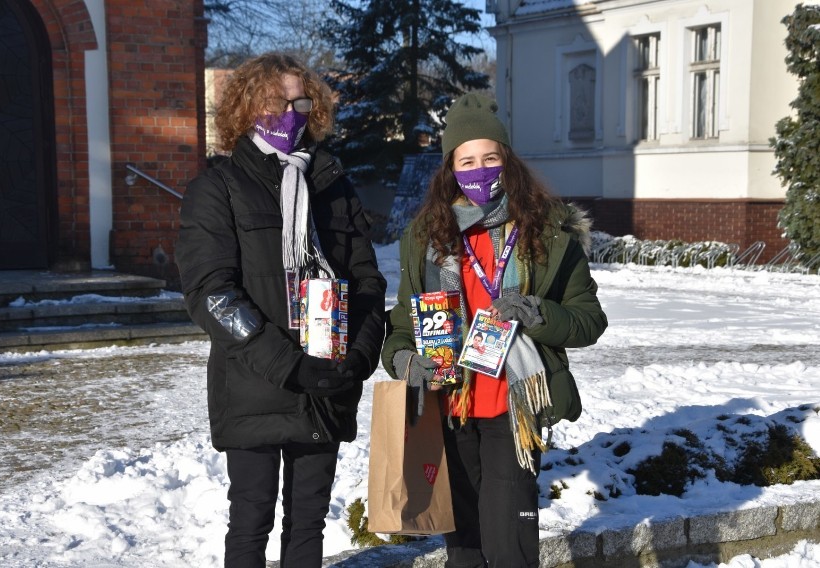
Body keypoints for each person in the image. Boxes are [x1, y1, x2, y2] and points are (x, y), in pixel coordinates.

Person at [176, 53, 386, 568]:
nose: (291, 112)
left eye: (300, 101)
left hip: (328, 383)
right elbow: (212, 292)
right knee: (251, 520)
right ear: (247, 107)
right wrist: (288, 364)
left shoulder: (334, 187)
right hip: (256, 383)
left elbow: (367, 283)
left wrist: (356, 359)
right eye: (277, 101)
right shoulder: (218, 188)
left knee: (309, 521)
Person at [381, 93, 607, 567]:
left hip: (513, 405)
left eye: (490, 158)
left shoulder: (547, 232)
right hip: (449, 406)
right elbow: (402, 325)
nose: (479, 170)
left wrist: (537, 312)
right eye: (467, 160)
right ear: (450, 168)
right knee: (463, 548)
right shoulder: (426, 238)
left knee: (510, 547)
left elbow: (589, 320)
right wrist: (404, 359)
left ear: (508, 161)